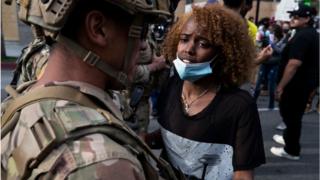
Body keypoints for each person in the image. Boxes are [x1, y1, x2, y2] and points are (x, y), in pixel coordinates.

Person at [1, 0, 178, 179]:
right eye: (141, 31)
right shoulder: (104, 162)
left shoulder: (24, 99)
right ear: (98, 28)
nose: (142, 46)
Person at [143, 4, 265, 180]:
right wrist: (143, 139)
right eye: (184, 39)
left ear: (224, 53)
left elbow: (243, 175)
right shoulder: (171, 86)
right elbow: (175, 136)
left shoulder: (239, 106)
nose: (189, 49)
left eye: (203, 44)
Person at [271, 3, 319, 160]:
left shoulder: (303, 36)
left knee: (291, 116)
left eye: (297, 16)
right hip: (303, 84)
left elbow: (294, 63)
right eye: (292, 16)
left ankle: (291, 149)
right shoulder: (310, 34)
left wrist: (280, 86)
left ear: (306, 19)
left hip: (296, 85)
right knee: (292, 116)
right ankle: (288, 139)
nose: (292, 19)